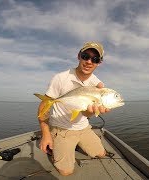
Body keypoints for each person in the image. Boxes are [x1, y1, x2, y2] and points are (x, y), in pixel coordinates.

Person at [37, 42, 110, 176]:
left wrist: (91, 111)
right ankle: (55, 143)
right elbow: (43, 105)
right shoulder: (60, 78)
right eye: (85, 56)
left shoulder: (97, 84)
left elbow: (85, 112)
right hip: (62, 129)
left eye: (95, 59)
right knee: (66, 172)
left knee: (101, 154)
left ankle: (72, 145)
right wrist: (45, 134)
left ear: (99, 63)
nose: (89, 61)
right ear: (79, 56)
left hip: (83, 128)